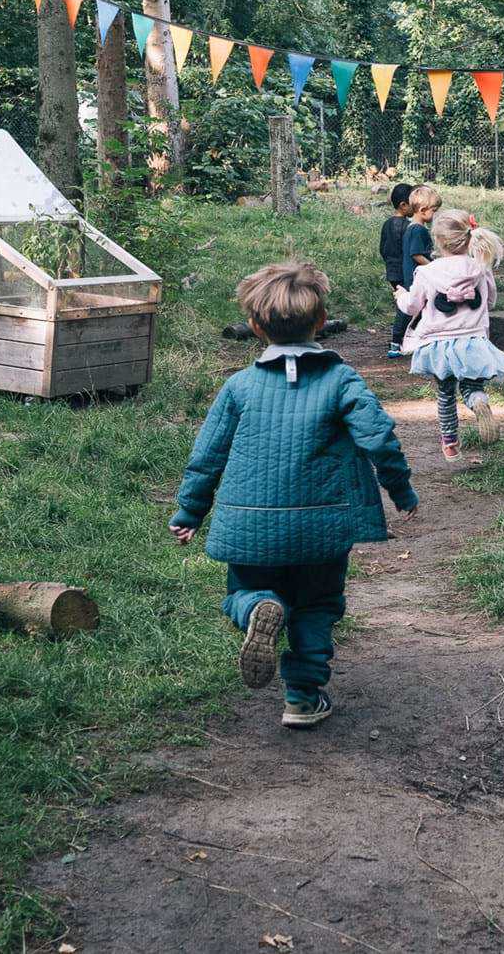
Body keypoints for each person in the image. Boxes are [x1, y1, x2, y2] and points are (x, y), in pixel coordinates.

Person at [168, 261, 417, 730]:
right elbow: (379, 438)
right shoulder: (342, 380)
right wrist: (400, 490)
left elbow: (208, 455)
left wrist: (190, 510)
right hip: (323, 526)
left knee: (242, 589)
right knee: (319, 605)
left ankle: (258, 607)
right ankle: (302, 697)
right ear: (321, 322)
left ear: (256, 327)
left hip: (249, 524)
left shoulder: (239, 387)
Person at [397, 209, 504, 461]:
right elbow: (492, 301)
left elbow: (412, 306)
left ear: (438, 242)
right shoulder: (481, 269)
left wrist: (400, 295)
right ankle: (478, 401)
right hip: (473, 341)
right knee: (471, 385)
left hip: (438, 344)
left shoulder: (428, 272)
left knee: (445, 393)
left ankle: (450, 443)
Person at [378, 182, 416, 358]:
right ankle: (397, 341)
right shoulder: (408, 226)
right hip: (404, 271)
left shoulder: (387, 224)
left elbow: (382, 248)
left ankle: (403, 337)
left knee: (403, 304)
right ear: (403, 205)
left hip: (391, 270)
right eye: (412, 203)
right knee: (405, 306)